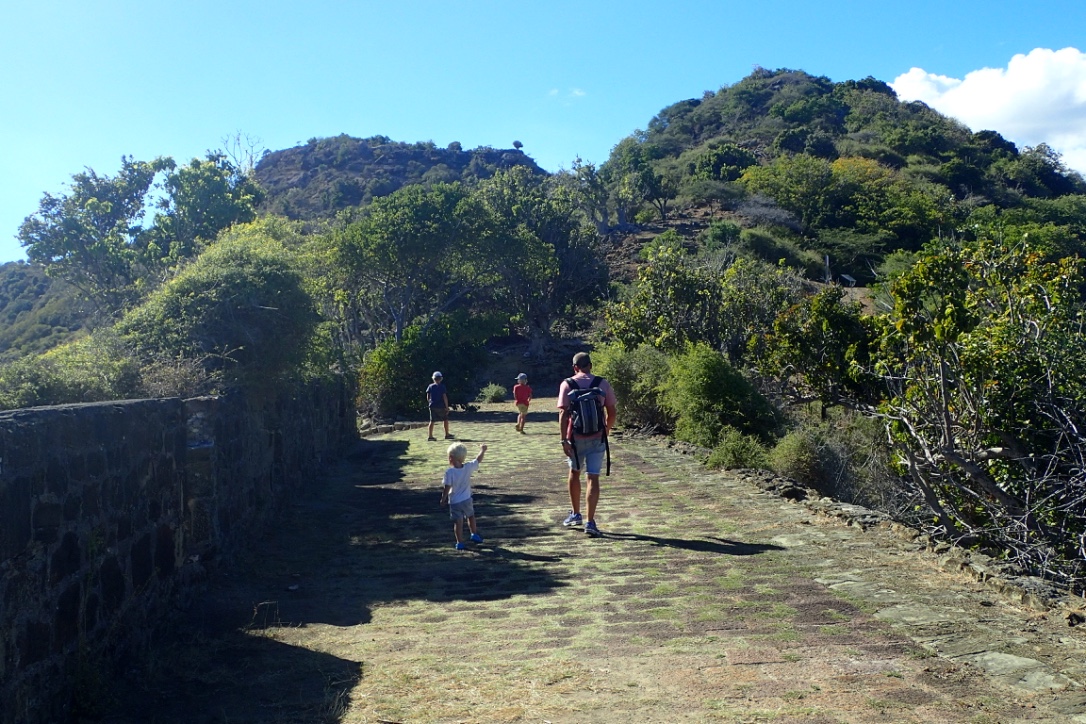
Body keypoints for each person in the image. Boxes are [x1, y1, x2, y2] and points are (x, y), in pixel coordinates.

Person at [558, 352, 617, 537]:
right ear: (590, 365)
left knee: (574, 473)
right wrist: (606, 429)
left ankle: (576, 514)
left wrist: (563, 440)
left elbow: (563, 414)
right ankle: (590, 522)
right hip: (597, 437)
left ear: (575, 367)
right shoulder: (602, 383)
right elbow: (612, 411)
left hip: (576, 438)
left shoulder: (567, 384)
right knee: (593, 477)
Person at [439, 442, 487, 550]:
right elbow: (478, 460)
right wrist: (482, 450)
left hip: (455, 502)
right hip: (466, 499)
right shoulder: (468, 467)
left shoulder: (449, 472)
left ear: (451, 458)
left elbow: (447, 487)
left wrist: (443, 499)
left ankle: (460, 542)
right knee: (471, 516)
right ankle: (474, 534)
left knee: (458, 522)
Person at [426, 371, 452, 441]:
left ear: (433, 378)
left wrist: (430, 402)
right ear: (441, 379)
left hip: (432, 406)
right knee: (445, 419)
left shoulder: (430, 386)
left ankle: (430, 436)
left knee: (432, 421)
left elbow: (428, 397)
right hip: (441, 406)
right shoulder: (442, 387)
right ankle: (447, 434)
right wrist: (447, 407)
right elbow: (444, 397)